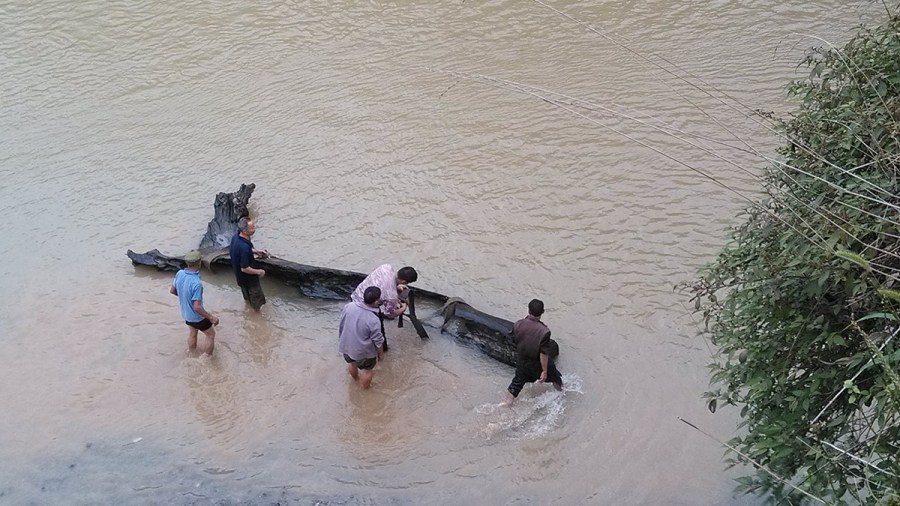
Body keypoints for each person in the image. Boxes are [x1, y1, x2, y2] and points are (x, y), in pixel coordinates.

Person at [504, 299, 563, 406]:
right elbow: (543, 353)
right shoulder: (544, 331)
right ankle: (562, 396)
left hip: (522, 361)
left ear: (528, 310)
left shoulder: (518, 324)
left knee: (515, 385)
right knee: (556, 378)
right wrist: (544, 371)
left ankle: (506, 404)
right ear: (542, 312)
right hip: (537, 363)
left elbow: (513, 340)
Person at [350, 264, 417, 351]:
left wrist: (395, 287)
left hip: (355, 297)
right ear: (404, 282)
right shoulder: (391, 295)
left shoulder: (386, 267)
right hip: (366, 308)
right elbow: (390, 314)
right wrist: (403, 308)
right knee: (379, 338)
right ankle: (381, 354)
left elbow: (383, 284)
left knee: (359, 332)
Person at [170, 250, 219, 355]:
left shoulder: (179, 273)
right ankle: (207, 358)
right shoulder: (197, 283)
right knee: (210, 335)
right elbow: (197, 307)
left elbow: (172, 291)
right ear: (199, 263)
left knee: (193, 333)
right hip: (197, 317)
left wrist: (184, 297)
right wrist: (211, 317)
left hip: (186, 315)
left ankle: (192, 352)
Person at [339, 286, 385, 389]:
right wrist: (381, 354)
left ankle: (355, 381)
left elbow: (342, 323)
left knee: (352, 364)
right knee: (367, 371)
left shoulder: (349, 306)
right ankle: (365, 390)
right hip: (363, 352)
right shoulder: (373, 319)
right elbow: (378, 340)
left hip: (346, 345)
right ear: (376, 300)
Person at [229, 217, 269, 311]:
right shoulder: (244, 248)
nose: (255, 228)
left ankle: (247, 310)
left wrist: (255, 251)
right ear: (245, 231)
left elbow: (243, 250)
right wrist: (259, 272)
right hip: (250, 280)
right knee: (257, 304)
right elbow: (245, 268)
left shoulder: (236, 236)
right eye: (252, 227)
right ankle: (257, 318)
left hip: (240, 277)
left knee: (247, 298)